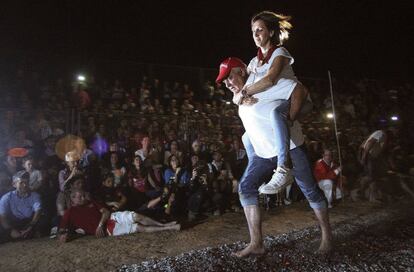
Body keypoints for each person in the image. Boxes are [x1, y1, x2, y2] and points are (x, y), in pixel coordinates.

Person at [215, 15, 331, 257]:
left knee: (310, 190)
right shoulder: (252, 74)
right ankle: (256, 243)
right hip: (262, 152)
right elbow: (249, 131)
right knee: (246, 187)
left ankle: (327, 236)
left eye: (230, 77)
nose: (227, 83)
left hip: (289, 148)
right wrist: (238, 95)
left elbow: (295, 88)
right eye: (224, 80)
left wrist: (293, 113)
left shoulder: (268, 74)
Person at [216, 12, 312, 195]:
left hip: (296, 100)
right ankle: (260, 165)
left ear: (270, 32)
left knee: (276, 115)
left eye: (260, 30)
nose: (256, 34)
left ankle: (283, 168)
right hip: (279, 101)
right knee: (246, 137)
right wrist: (240, 98)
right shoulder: (254, 62)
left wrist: (245, 92)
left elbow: (269, 79)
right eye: (253, 31)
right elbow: (244, 86)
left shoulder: (280, 52)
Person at [58, 189, 180, 243]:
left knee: (137, 216)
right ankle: (167, 228)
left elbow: (105, 212)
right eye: (81, 196)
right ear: (73, 199)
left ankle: (164, 224)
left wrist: (99, 225)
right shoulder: (70, 212)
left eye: (83, 195)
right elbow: (62, 232)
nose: (84, 197)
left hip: (111, 217)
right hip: (108, 230)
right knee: (137, 227)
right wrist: (65, 236)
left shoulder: (91, 202)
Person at [0, 172, 45, 241]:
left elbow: (38, 210)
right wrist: (10, 230)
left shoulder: (34, 195)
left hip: (29, 222)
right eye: (21, 183)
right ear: (14, 184)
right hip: (14, 223)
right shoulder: (6, 197)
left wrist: (31, 226)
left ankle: (28, 233)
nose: (24, 185)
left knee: (43, 219)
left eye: (26, 182)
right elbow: (2, 216)